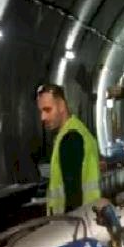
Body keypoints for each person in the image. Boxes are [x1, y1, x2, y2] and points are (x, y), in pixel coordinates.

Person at [36, 83, 101, 215]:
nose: (43, 117)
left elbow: (73, 195)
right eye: (41, 111)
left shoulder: (70, 138)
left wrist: (68, 231)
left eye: (47, 110)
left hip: (76, 224)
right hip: (88, 217)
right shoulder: (79, 130)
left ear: (61, 106)